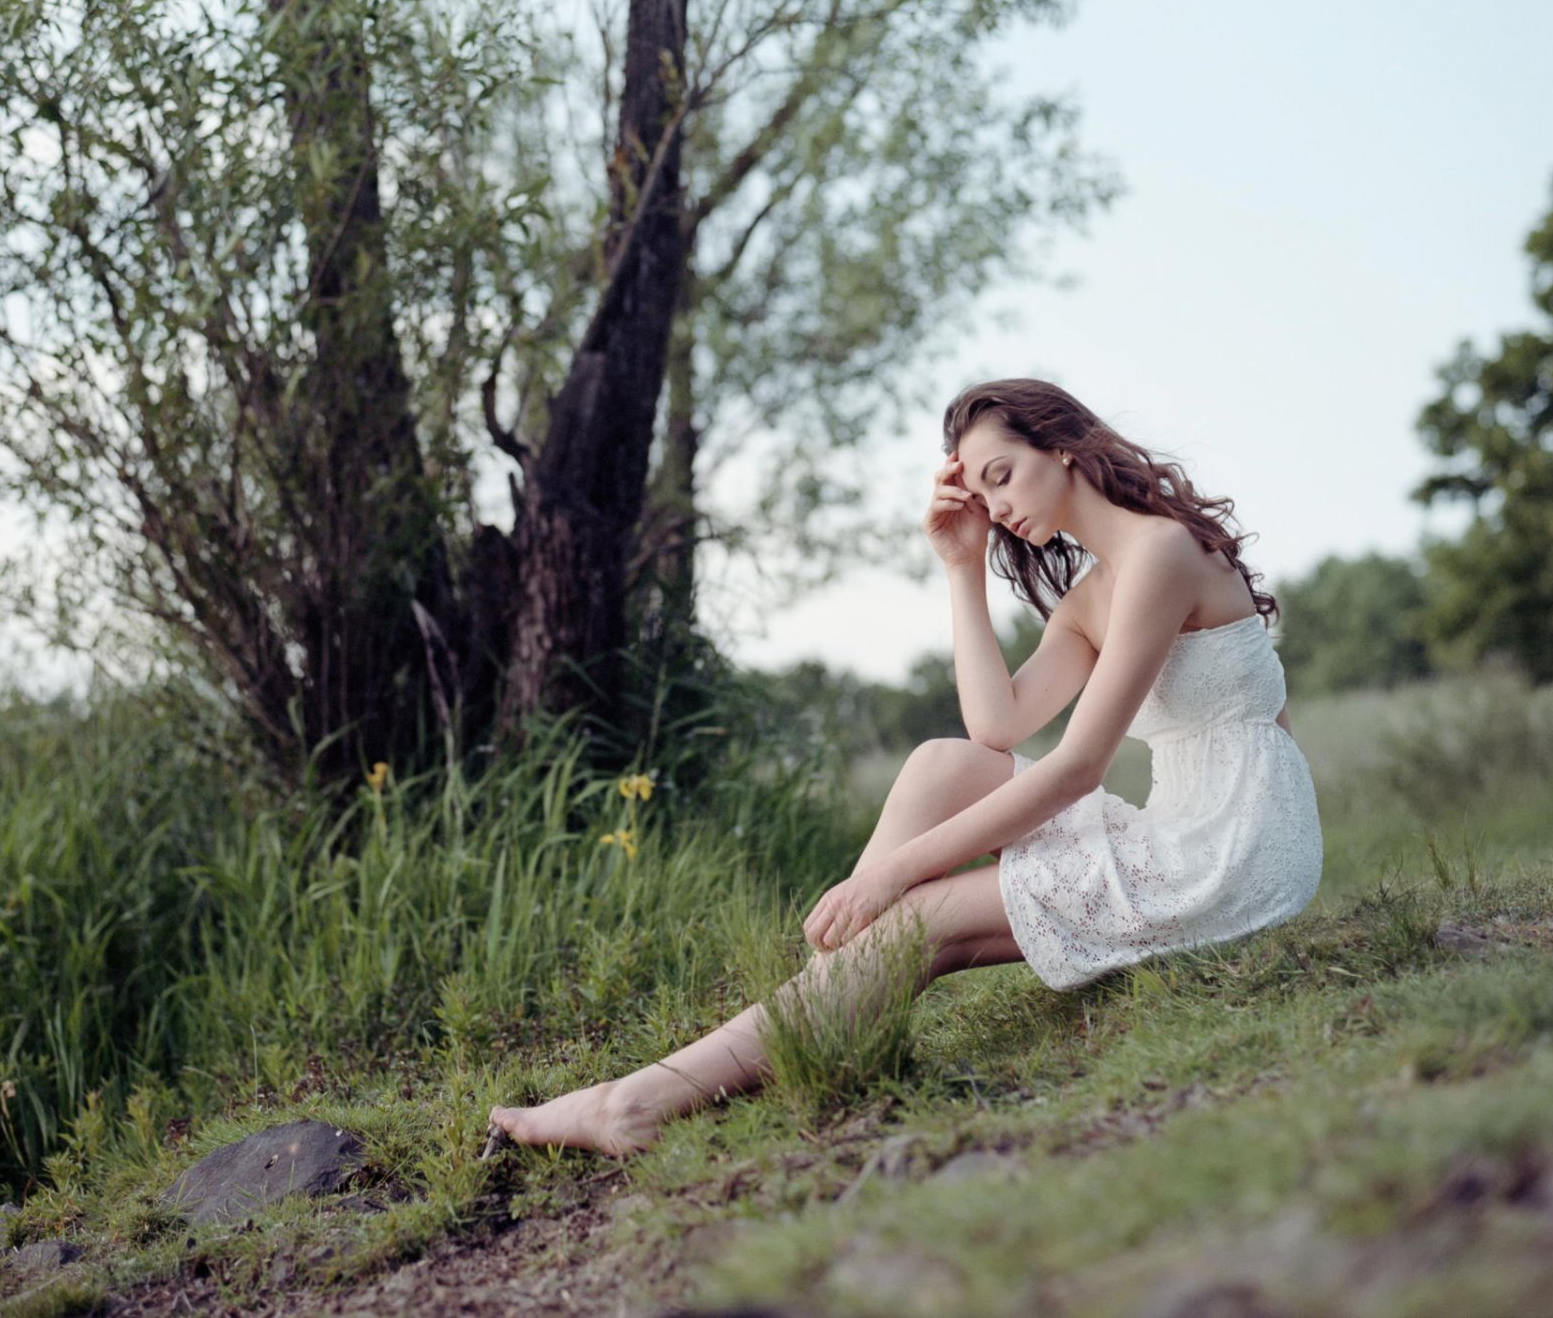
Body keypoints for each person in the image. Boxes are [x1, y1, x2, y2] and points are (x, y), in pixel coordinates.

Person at [486, 378, 1324, 1156]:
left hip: (1231, 853)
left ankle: (636, 1103)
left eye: (1005, 475)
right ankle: (817, 1014)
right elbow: (994, 726)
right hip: (1187, 830)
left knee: (914, 915)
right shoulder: (1094, 595)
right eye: (984, 492)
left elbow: (1074, 769)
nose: (998, 506)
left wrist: (889, 875)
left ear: (1064, 445)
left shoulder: (1161, 555)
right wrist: (961, 567)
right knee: (941, 764)